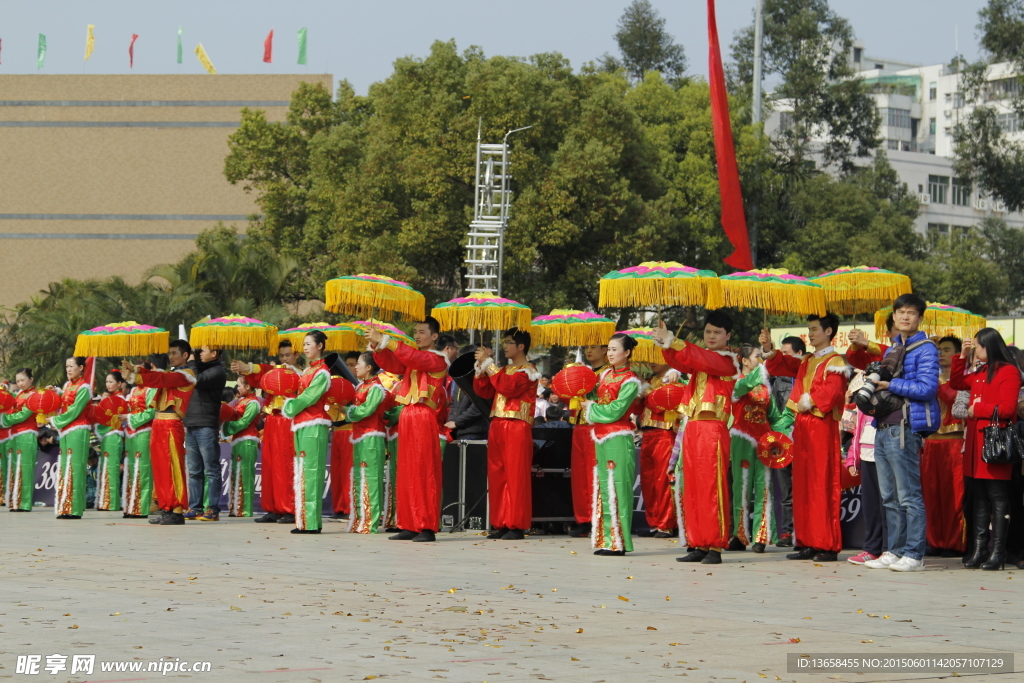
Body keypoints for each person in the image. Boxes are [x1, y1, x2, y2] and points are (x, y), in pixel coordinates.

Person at [860, 294, 939, 573]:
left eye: (911, 313)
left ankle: (914, 554)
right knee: (889, 497)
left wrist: (890, 385)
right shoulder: (893, 347)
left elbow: (927, 388)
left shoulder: (926, 348)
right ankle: (893, 551)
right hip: (882, 426)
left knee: (908, 496)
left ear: (920, 318)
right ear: (894, 317)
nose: (905, 317)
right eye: (901, 312)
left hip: (904, 426)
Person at [762, 313, 850, 562]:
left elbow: (834, 392)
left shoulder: (836, 361)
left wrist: (811, 399)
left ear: (829, 331)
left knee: (821, 483)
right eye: (809, 329)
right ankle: (808, 541)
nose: (810, 334)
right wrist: (769, 349)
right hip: (802, 425)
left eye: (814, 329)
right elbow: (782, 364)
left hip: (821, 425)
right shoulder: (808, 359)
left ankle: (826, 544)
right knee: (803, 484)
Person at [656, 311, 741, 565]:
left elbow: (701, 358)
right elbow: (683, 362)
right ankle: (698, 542)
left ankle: (715, 545)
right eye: (708, 332)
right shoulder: (702, 359)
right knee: (692, 486)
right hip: (692, 426)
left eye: (717, 332)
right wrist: (665, 344)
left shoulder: (729, 360)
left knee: (712, 487)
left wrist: (675, 341)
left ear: (728, 336)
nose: (711, 336)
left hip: (713, 429)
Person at [367, 316, 450, 543]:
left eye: (422, 332)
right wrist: (376, 345)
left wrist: (386, 339)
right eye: (415, 331)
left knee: (424, 470)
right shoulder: (413, 359)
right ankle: (409, 523)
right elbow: (392, 364)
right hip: (407, 414)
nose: (417, 335)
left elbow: (413, 357)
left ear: (434, 336)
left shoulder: (437, 360)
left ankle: (427, 526)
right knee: (405, 469)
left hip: (424, 415)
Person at [951, 328, 1023, 571]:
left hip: (994, 443)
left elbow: (1007, 408)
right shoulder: (981, 372)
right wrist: (961, 356)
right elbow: (957, 382)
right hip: (976, 444)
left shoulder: (1009, 371)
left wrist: (978, 409)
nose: (976, 351)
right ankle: (980, 549)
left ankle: (998, 551)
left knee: (998, 497)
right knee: (980, 496)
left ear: (989, 346)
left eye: (979, 347)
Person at [474, 327, 540, 541]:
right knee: (497, 475)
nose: (505, 346)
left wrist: (490, 365)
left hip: (517, 425)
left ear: (521, 346)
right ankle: (501, 521)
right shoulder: (503, 370)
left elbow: (509, 388)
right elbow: (484, 391)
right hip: (497, 424)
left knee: (515, 476)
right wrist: (481, 370)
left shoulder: (529, 370)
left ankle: (517, 524)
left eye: (509, 342)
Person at [124, 340, 196, 526]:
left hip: (172, 423)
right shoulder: (172, 374)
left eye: (174, 353)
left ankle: (178, 509)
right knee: (161, 468)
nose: (170, 356)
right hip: (158, 422)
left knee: (173, 467)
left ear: (185, 355)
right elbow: (159, 377)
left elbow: (161, 379)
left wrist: (137, 373)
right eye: (169, 353)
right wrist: (135, 370)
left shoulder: (187, 375)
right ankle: (166, 507)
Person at [729, 345, 793, 553]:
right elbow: (745, 386)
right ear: (744, 361)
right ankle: (739, 536)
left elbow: (774, 418)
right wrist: (762, 370)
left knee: (764, 489)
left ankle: (761, 537)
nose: (761, 360)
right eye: (757, 357)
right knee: (741, 489)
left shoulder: (766, 389)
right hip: (742, 441)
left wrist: (792, 413)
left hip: (763, 443)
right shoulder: (736, 383)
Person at [582, 334, 641, 556]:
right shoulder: (605, 374)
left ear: (626, 353)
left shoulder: (630, 381)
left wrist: (591, 408)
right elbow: (593, 394)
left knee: (619, 488)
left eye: (615, 349)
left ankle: (620, 542)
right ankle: (607, 540)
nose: (610, 353)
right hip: (601, 436)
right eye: (608, 349)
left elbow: (616, 410)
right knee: (604, 488)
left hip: (618, 436)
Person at [231, 340, 301, 525]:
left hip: (287, 422)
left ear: (297, 356)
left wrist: (251, 367)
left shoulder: (300, 375)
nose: (284, 359)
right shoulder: (274, 373)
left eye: (288, 355)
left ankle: (289, 509)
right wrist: (247, 369)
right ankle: (272, 508)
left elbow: (263, 371)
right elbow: (259, 377)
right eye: (281, 355)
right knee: (270, 464)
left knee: (285, 466)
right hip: (271, 422)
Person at [280, 331, 333, 534]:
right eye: (303, 344)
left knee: (312, 472)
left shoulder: (322, 372)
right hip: (302, 424)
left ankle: (310, 523)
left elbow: (309, 397)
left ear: (319, 346)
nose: (305, 347)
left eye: (309, 343)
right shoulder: (308, 371)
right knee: (303, 472)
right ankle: (304, 521)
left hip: (313, 424)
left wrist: (290, 406)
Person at [920, 336, 967, 557]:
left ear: (958, 355)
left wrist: (936, 384)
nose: (941, 353)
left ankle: (954, 541)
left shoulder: (963, 380)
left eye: (947, 350)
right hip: (931, 441)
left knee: (953, 494)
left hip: (955, 440)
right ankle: (935, 540)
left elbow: (951, 399)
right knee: (932, 494)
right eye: (939, 350)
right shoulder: (931, 378)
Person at [346, 352, 395, 534]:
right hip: (360, 436)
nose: (355, 366)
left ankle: (370, 522)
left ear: (368, 367)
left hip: (372, 437)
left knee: (372, 479)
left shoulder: (376, 388)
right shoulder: (361, 387)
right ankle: (360, 518)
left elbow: (366, 410)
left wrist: (348, 411)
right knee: (360, 478)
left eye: (358, 363)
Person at [844, 372, 887, 565]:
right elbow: (856, 433)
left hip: (885, 457)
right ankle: (871, 549)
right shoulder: (861, 405)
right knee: (870, 507)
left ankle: (888, 549)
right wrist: (852, 459)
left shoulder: (886, 399)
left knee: (886, 506)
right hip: (866, 458)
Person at [638, 363, 684, 539]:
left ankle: (666, 524)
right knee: (648, 482)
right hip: (647, 433)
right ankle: (654, 523)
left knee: (663, 481)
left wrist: (648, 390)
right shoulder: (649, 380)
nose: (651, 363)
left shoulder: (676, 379)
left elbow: (661, 404)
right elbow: (638, 409)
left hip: (665, 433)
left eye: (655, 358)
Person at [568, 343, 609, 538]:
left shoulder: (607, 373)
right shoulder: (582, 370)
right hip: (578, 424)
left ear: (605, 350)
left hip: (596, 425)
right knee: (579, 476)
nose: (589, 351)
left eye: (594, 347)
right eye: (587, 348)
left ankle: (597, 517)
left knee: (593, 473)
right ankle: (583, 518)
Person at [182, 347, 227, 522]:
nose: (200, 353)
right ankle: (195, 507)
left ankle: (212, 508)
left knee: (211, 470)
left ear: (214, 353)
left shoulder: (217, 371)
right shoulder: (197, 368)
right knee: (194, 471)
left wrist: (192, 362)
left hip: (207, 425)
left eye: (204, 350)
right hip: (191, 424)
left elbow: (196, 380)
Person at [769, 335, 805, 548]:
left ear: (799, 355)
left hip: (804, 437)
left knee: (804, 487)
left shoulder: (807, 376)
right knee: (785, 489)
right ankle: (787, 530)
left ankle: (804, 529)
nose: (783, 358)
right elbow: (772, 410)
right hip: (783, 440)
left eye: (787, 354)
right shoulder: (778, 380)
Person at [51, 356, 94, 519]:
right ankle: (65, 506)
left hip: (78, 429)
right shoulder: (68, 385)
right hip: (67, 430)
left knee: (75, 468)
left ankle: (74, 509)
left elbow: (75, 410)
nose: (68, 369)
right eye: (66, 366)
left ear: (81, 368)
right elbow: (67, 401)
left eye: (71, 366)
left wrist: (55, 420)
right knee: (65, 467)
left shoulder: (84, 388)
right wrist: (58, 393)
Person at [121, 356, 161, 519]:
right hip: (131, 432)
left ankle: (142, 508)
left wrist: (130, 418)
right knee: (131, 469)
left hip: (145, 432)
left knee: (143, 469)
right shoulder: (134, 390)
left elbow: (151, 412)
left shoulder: (151, 389)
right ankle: (131, 506)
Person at [222, 374, 261, 518]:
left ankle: (245, 510)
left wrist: (227, 427)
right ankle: (235, 508)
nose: (237, 388)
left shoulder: (253, 403)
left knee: (246, 475)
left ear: (248, 386)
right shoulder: (241, 401)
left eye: (239, 385)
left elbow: (245, 422)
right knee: (235, 474)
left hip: (248, 440)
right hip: (239, 440)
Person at [2, 368, 39, 511]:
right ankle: (15, 501)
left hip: (27, 434)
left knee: (25, 468)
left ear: (31, 379)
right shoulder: (19, 395)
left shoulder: (34, 396)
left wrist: (4, 419)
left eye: (23, 380)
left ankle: (24, 503)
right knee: (15, 468)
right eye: (17, 381)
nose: (20, 383)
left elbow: (23, 415)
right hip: (16, 434)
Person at [94, 370, 128, 512]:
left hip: (114, 435)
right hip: (108, 436)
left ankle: (112, 502)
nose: (108, 384)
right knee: (107, 467)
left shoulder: (122, 401)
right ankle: (106, 501)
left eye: (111, 382)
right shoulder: (109, 400)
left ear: (119, 383)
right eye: (107, 382)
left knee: (112, 468)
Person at [445, 344, 490, 441]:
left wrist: (457, 423)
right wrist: (451, 421)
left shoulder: (481, 379)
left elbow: (477, 407)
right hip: (457, 432)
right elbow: (454, 404)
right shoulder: (460, 379)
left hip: (474, 432)